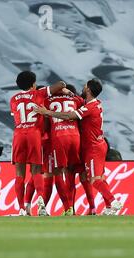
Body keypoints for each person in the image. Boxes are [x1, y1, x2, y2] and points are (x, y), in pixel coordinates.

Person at [34, 78, 123, 216]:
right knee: (96, 177)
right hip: (92, 144)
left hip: (91, 146)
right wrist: (67, 92)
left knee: (91, 179)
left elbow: (69, 115)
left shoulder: (88, 107)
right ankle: (105, 206)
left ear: (88, 89)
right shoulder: (92, 103)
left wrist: (48, 112)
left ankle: (113, 202)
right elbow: (74, 101)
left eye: (85, 86)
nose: (82, 87)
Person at [10, 71, 69, 216]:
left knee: (19, 174)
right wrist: (63, 88)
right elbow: (61, 83)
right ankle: (41, 205)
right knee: (36, 171)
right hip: (34, 134)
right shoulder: (39, 93)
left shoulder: (13, 99)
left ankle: (22, 209)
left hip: (18, 134)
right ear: (33, 84)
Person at [44, 84, 85, 216]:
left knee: (58, 172)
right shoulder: (76, 99)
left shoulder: (47, 101)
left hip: (59, 136)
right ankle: (73, 208)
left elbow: (45, 124)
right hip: (75, 136)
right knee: (71, 172)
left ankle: (67, 208)